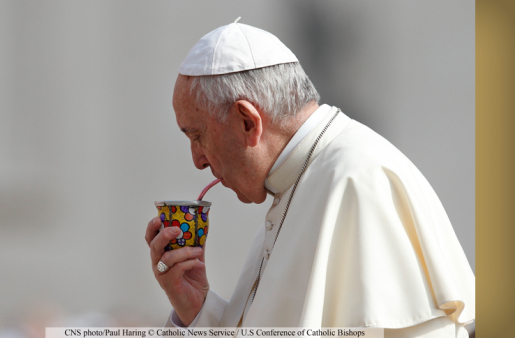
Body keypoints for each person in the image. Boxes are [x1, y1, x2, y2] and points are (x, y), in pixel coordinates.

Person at [145, 19, 475, 337]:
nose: (197, 160)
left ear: (248, 122)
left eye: (198, 136)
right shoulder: (294, 187)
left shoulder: (357, 181)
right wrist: (197, 308)